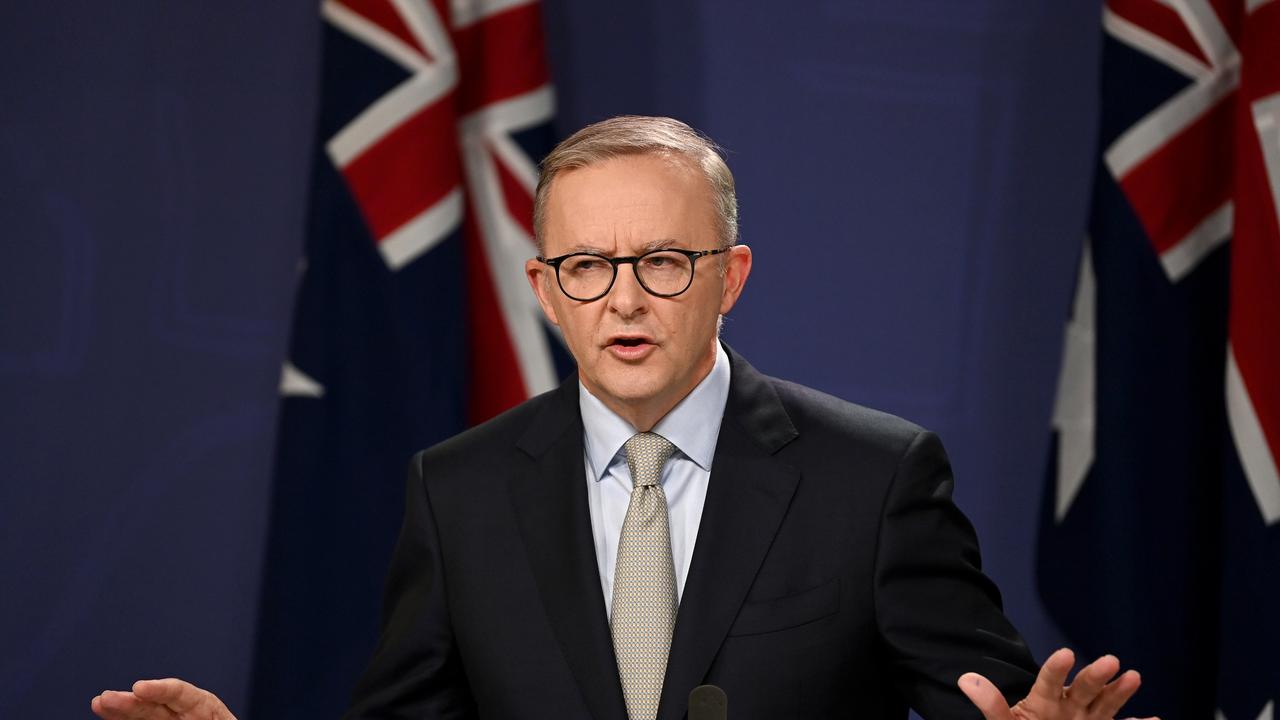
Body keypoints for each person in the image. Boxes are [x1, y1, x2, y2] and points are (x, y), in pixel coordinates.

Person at [91, 116, 1155, 720]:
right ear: (546, 289)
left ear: (727, 276)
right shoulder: (458, 490)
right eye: (586, 266)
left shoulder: (872, 477)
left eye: (660, 260)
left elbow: (992, 706)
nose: (624, 299)